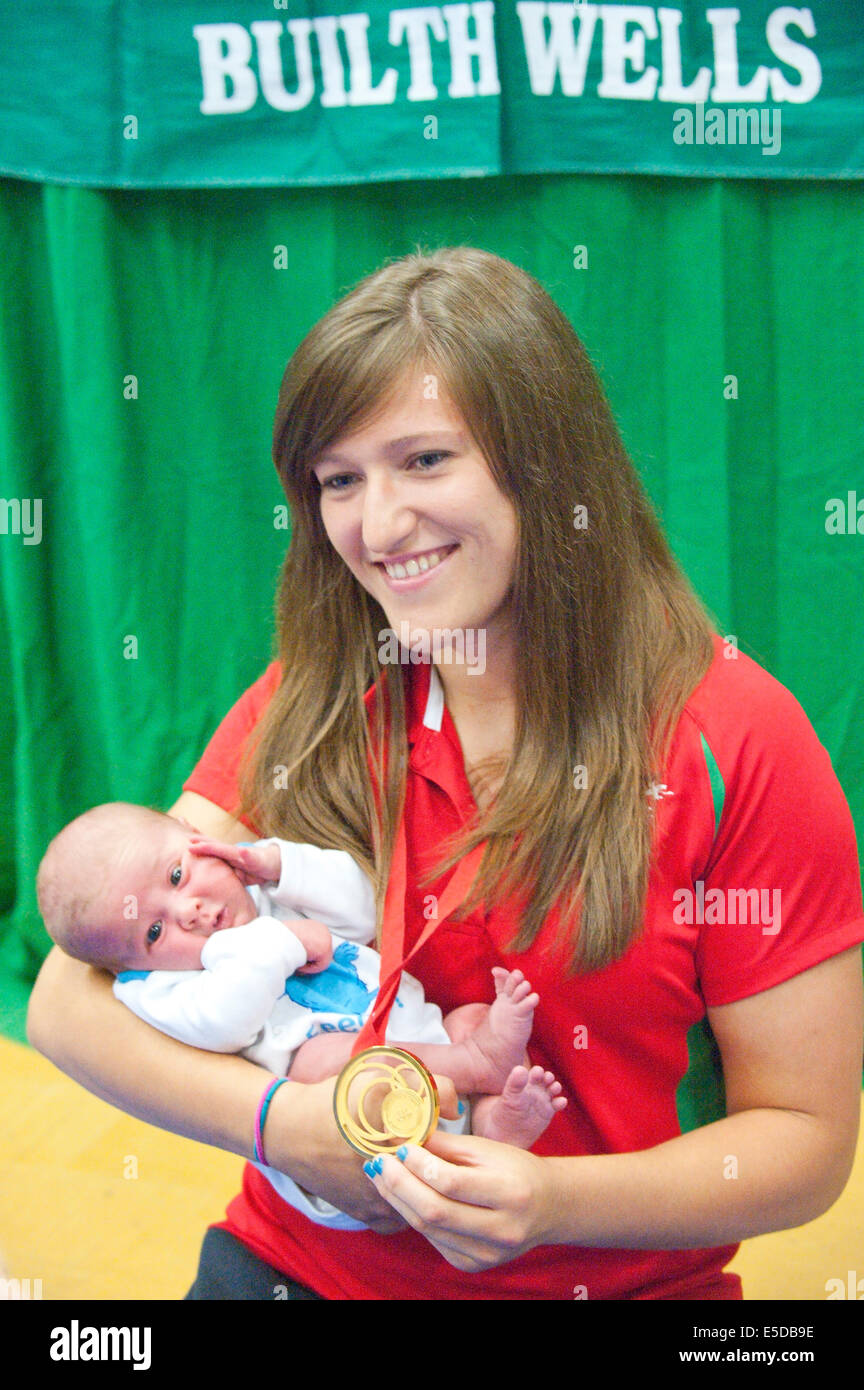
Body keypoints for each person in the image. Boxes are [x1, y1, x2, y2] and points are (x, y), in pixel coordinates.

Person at [27, 246, 864, 1301]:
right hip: (300, 1268)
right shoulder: (323, 692)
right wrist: (291, 1128)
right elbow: (65, 998)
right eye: (340, 480)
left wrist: (554, 1205)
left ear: (546, 461)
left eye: (424, 460)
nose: (376, 528)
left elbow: (804, 1142)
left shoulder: (739, 739)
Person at [35, 800, 566, 1230]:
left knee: (472, 1014)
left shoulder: (259, 882)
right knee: (327, 1063)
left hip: (420, 1034)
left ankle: (492, 1126)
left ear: (191, 830)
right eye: (153, 933)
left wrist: (282, 866)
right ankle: (477, 1065)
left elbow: (364, 909)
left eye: (177, 874)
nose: (189, 912)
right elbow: (226, 1023)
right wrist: (279, 939)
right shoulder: (160, 987)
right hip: (342, 1120)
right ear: (128, 968)